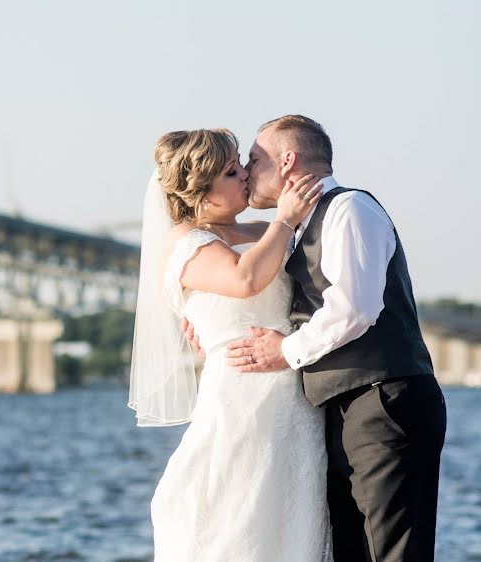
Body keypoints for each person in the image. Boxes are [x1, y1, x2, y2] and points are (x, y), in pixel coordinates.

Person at [189, 115, 447, 561]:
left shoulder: (349, 210)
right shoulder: (295, 231)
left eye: (253, 159)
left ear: (287, 160)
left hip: (382, 398)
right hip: (340, 407)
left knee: (392, 551)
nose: (247, 171)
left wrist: (284, 352)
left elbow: (355, 308)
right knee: (351, 549)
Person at [128, 127, 332, 561]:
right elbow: (244, 279)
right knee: (241, 515)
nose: (243, 174)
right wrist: (285, 220)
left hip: (296, 392)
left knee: (298, 511)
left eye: (241, 163)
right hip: (242, 396)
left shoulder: (262, 229)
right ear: (200, 191)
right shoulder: (187, 243)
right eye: (229, 170)